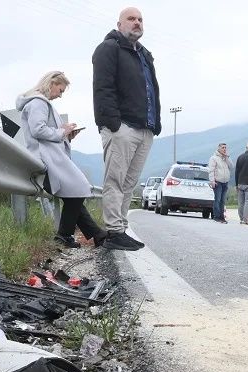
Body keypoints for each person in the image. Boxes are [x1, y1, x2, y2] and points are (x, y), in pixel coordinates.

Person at [92, 7, 161, 251]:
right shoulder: (108, 49)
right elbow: (103, 89)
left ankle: (120, 228)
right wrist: (113, 124)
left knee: (129, 182)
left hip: (145, 128)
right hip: (122, 127)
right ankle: (113, 230)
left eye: (140, 19)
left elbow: (151, 89)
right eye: (131, 19)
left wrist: (155, 124)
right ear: (119, 24)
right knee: (115, 180)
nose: (137, 23)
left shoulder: (144, 54)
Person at [17, 71, 106, 249]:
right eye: (60, 89)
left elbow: (43, 131)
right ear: (51, 83)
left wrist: (67, 135)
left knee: (74, 193)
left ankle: (94, 235)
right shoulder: (38, 103)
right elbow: (37, 130)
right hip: (47, 157)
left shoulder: (40, 103)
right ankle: (67, 234)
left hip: (50, 155)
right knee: (79, 187)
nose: (60, 95)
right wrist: (62, 132)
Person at [207, 143, 232, 223]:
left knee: (223, 200)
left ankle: (222, 216)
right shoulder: (213, 158)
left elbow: (231, 166)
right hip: (217, 181)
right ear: (219, 148)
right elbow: (211, 170)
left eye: (225, 148)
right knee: (217, 199)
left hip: (225, 182)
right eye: (222, 147)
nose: (224, 149)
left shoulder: (226, 158)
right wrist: (212, 181)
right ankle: (216, 216)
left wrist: (227, 158)